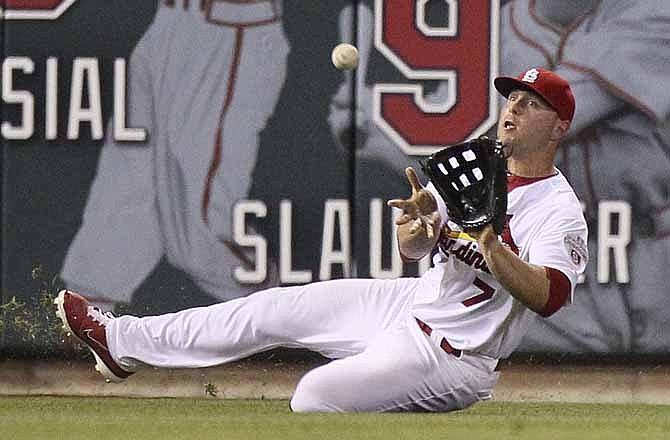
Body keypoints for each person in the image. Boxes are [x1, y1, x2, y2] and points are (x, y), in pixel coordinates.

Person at [55, 69, 588, 413]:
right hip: (409, 304)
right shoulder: (476, 168)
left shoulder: (559, 210)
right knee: (271, 308)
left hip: (454, 356)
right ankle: (123, 343)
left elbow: (551, 297)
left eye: (531, 103)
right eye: (511, 97)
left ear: (559, 127)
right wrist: (415, 230)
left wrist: (491, 245)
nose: (513, 108)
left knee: (313, 397)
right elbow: (412, 251)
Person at [60, 0, 288, 310]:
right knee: (127, 179)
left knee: (201, 224)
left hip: (229, 25)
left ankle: (283, 313)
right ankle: (88, 315)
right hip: (172, 18)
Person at [500, 0, 670, 353]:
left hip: (649, 244)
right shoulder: (506, 24)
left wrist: (483, 157)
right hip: (551, 245)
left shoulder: (654, 12)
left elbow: (569, 107)